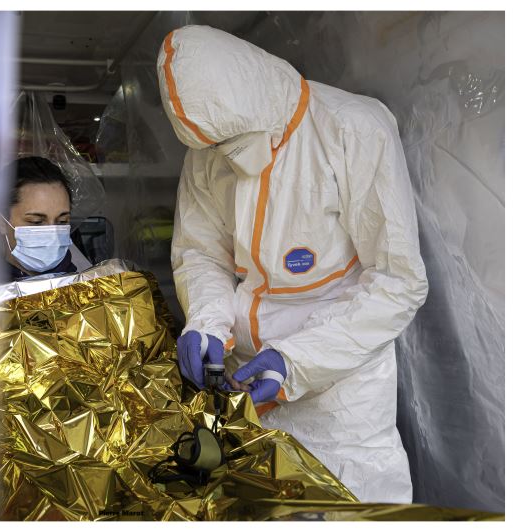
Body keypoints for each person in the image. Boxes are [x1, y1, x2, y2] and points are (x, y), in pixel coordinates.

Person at [158, 25, 428, 503]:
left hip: (340, 384)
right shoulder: (205, 151)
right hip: (245, 377)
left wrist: (296, 360)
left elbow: (397, 281)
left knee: (354, 506)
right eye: (214, 148)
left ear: (261, 98)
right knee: (259, 504)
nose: (226, 157)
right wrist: (207, 322)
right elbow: (201, 253)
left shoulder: (353, 128)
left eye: (233, 141)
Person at [0, 156, 78, 280]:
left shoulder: (89, 283)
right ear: (1, 222)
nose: (53, 237)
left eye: (62, 222)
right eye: (37, 222)